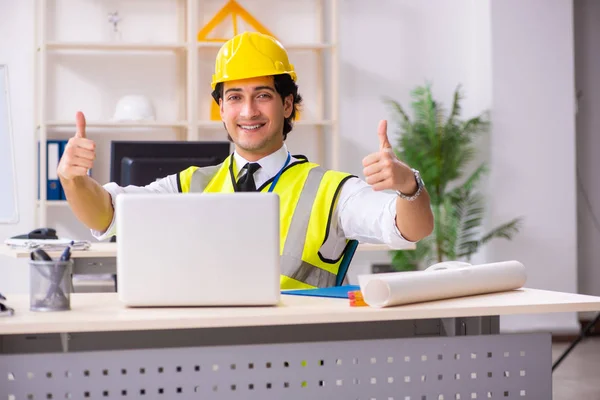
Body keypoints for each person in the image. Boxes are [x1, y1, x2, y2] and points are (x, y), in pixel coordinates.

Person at [57, 31, 434, 289]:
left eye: (263, 95)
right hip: (208, 359)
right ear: (221, 109)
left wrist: (408, 186)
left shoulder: (332, 191)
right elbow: (107, 214)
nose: (248, 110)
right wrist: (75, 180)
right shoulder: (190, 186)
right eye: (234, 96)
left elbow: (410, 228)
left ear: (287, 105)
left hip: (305, 365)